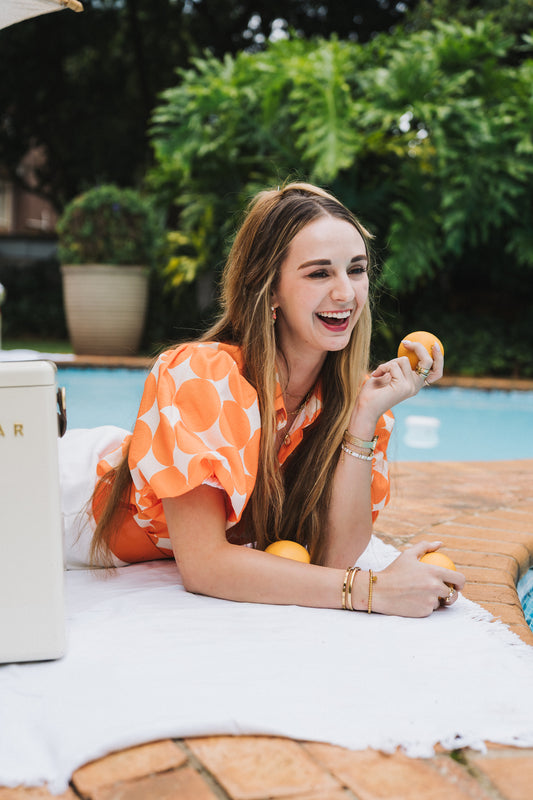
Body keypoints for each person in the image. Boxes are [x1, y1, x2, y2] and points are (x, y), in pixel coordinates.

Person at [60, 182, 464, 617]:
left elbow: (331, 560)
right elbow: (205, 566)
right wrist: (374, 591)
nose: (346, 293)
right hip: (54, 502)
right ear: (271, 289)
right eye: (319, 273)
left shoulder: (359, 400)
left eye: (356, 269)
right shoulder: (202, 376)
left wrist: (363, 418)